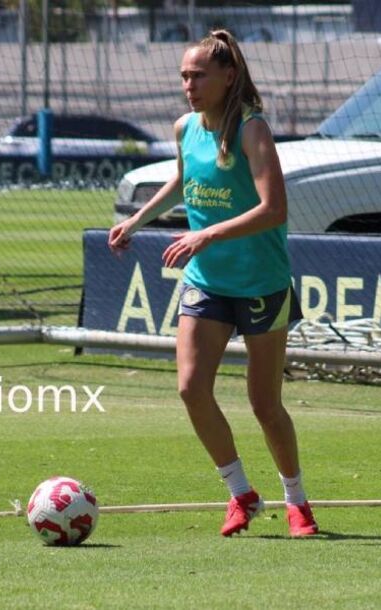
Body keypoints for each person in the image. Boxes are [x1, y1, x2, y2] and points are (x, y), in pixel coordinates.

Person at [108, 30, 317, 537]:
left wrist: (204, 234)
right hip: (208, 282)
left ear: (228, 76)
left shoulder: (253, 129)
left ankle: (297, 501)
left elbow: (275, 210)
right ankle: (241, 492)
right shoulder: (185, 128)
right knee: (189, 387)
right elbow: (183, 180)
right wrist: (137, 220)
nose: (189, 84)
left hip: (261, 284)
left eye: (199, 75)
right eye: (184, 76)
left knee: (265, 406)